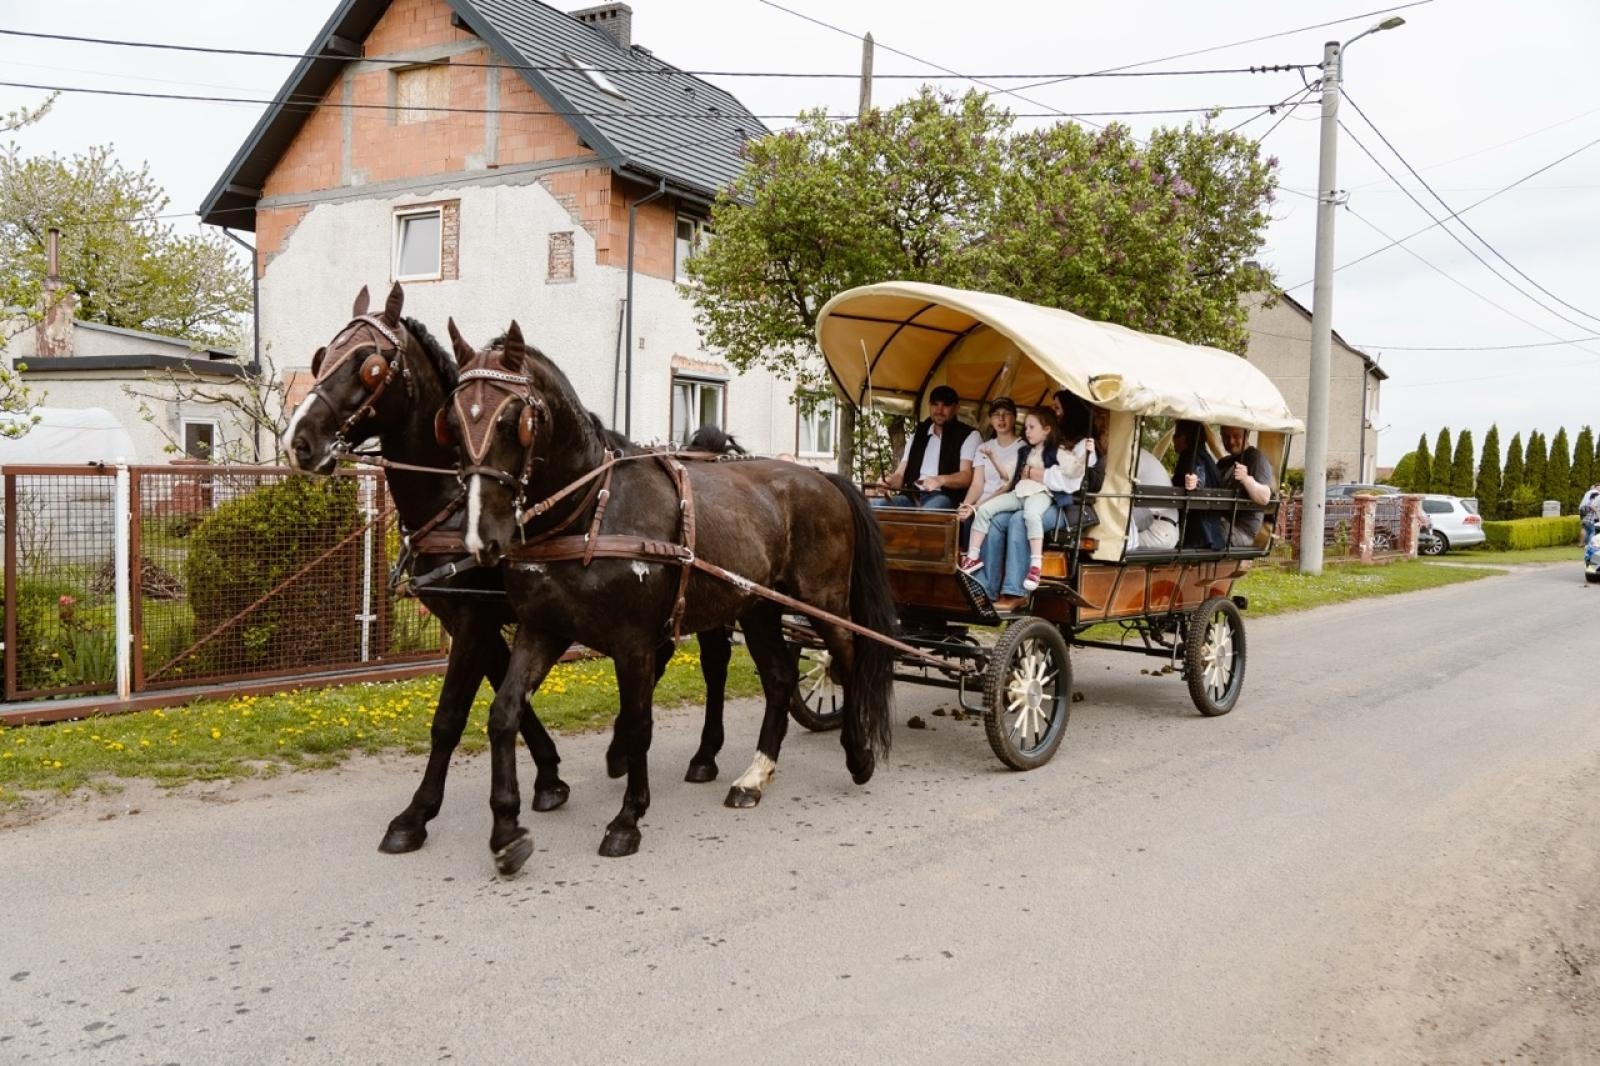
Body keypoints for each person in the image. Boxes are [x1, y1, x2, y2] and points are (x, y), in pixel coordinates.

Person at [958, 408, 1093, 593]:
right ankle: (974, 557)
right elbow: (1008, 474)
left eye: (1031, 427)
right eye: (1026, 427)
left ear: (1046, 430)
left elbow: (1075, 470)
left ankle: (1034, 566)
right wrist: (993, 457)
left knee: (1028, 516)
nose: (1027, 431)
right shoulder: (1025, 451)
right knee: (986, 511)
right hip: (1020, 492)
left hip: (1040, 493)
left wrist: (1086, 453)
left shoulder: (1057, 452)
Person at [873, 384, 977, 509]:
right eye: (935, 404)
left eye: (946, 405)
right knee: (875, 505)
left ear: (956, 408)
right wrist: (888, 482)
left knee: (928, 512)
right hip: (912, 496)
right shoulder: (917, 436)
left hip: (944, 496)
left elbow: (966, 476)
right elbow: (900, 475)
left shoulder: (969, 435)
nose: (939, 410)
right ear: (929, 406)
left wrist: (940, 480)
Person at [953, 397, 1023, 547]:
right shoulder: (984, 447)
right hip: (980, 504)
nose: (1001, 418)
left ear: (1015, 417)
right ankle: (967, 564)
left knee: (984, 519)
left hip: (1004, 503)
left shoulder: (1022, 448)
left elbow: (1008, 486)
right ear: (991, 419)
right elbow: (977, 484)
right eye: (996, 414)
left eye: (1006, 413)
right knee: (964, 519)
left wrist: (977, 507)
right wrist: (966, 505)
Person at [1216, 424, 1276, 548]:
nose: (1231, 441)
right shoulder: (1223, 462)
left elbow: (1264, 497)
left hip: (1240, 531)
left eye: (1236, 436)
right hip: (1219, 521)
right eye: (1226, 437)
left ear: (1247, 434)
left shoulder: (1256, 459)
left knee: (1205, 531)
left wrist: (1247, 480)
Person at [1172, 419, 1226, 550]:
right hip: (1213, 534)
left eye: (1175, 435)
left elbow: (1197, 473)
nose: (1173, 440)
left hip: (1196, 536)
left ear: (1183, 437)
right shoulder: (1207, 457)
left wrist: (1196, 482)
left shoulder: (1190, 455)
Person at [1579, 481, 1600, 546]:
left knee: (1584, 528)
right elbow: (1593, 505)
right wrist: (1598, 514)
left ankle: (1582, 543)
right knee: (1592, 530)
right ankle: (1590, 544)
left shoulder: (1588, 492)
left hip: (1583, 510)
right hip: (1590, 512)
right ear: (1597, 487)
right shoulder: (1597, 493)